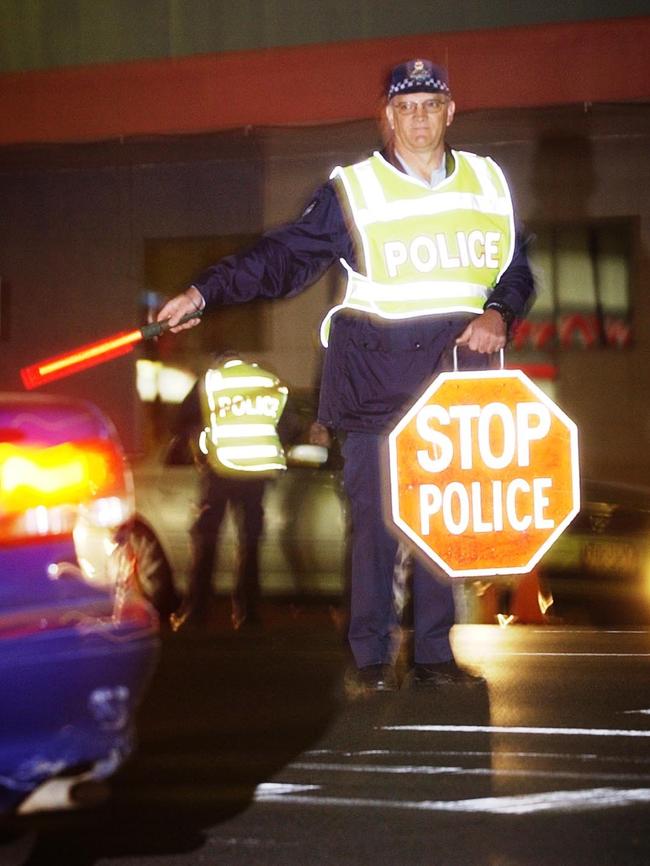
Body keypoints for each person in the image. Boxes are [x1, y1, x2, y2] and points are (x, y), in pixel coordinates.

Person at [156, 59, 535, 688]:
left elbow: (515, 269)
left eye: (430, 104)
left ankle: (436, 654)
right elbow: (284, 257)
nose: (419, 118)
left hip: (456, 379)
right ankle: (370, 656)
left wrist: (499, 310)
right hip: (375, 379)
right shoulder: (355, 190)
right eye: (405, 107)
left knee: (444, 520)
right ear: (387, 117)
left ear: (451, 110)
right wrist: (204, 293)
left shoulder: (488, 182)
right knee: (378, 525)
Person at [171, 353, 289, 631]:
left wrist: (202, 441)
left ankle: (197, 612)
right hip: (257, 473)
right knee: (250, 544)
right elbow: (289, 425)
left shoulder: (212, 380)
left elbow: (178, 421)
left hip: (221, 470)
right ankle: (248, 614)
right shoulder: (268, 380)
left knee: (207, 540)